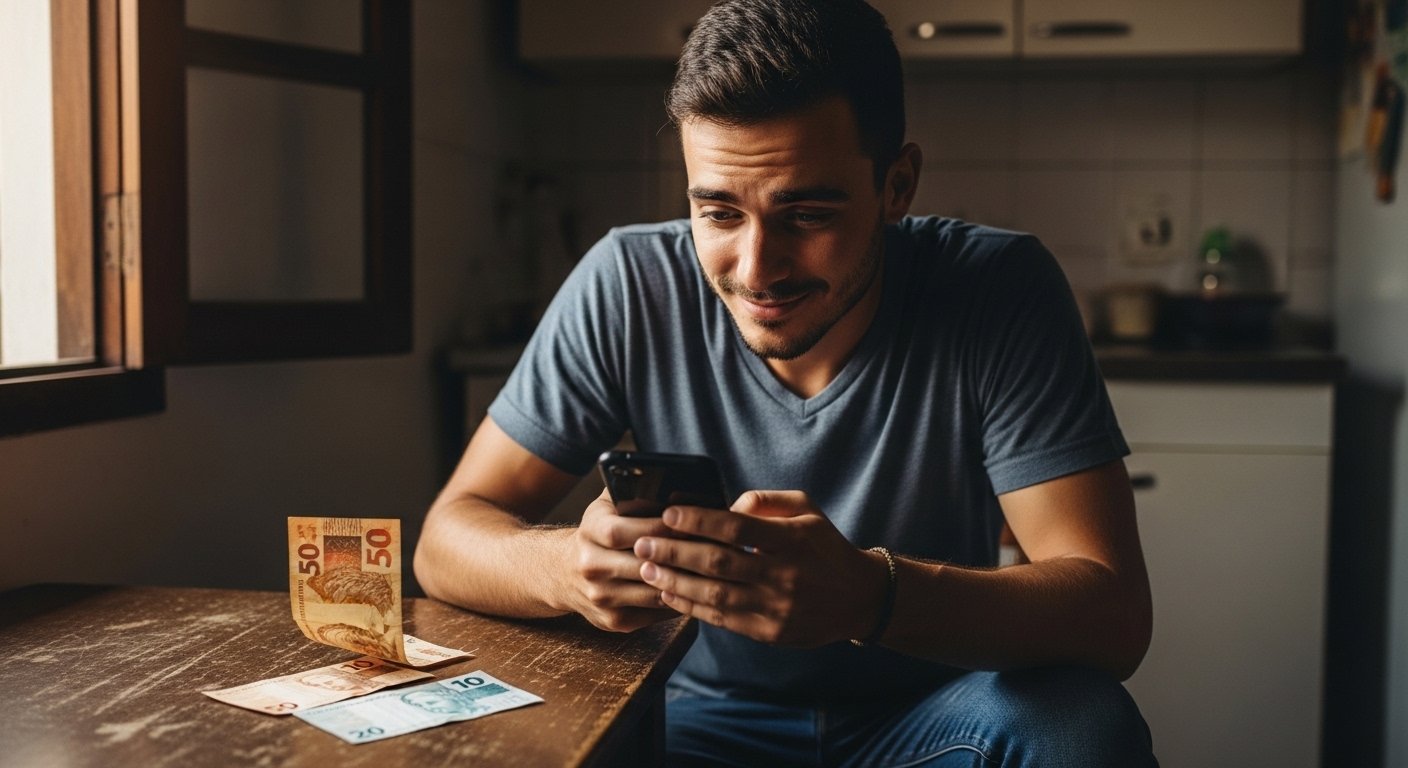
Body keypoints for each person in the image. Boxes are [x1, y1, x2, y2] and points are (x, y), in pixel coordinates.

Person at [415, 0, 1157, 764]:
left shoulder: (996, 287)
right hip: (691, 718)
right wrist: (570, 568)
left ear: (897, 186)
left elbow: (1113, 615)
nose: (756, 269)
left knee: (1080, 725)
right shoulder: (630, 282)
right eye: (720, 213)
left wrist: (871, 596)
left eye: (806, 214)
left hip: (932, 719)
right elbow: (445, 541)